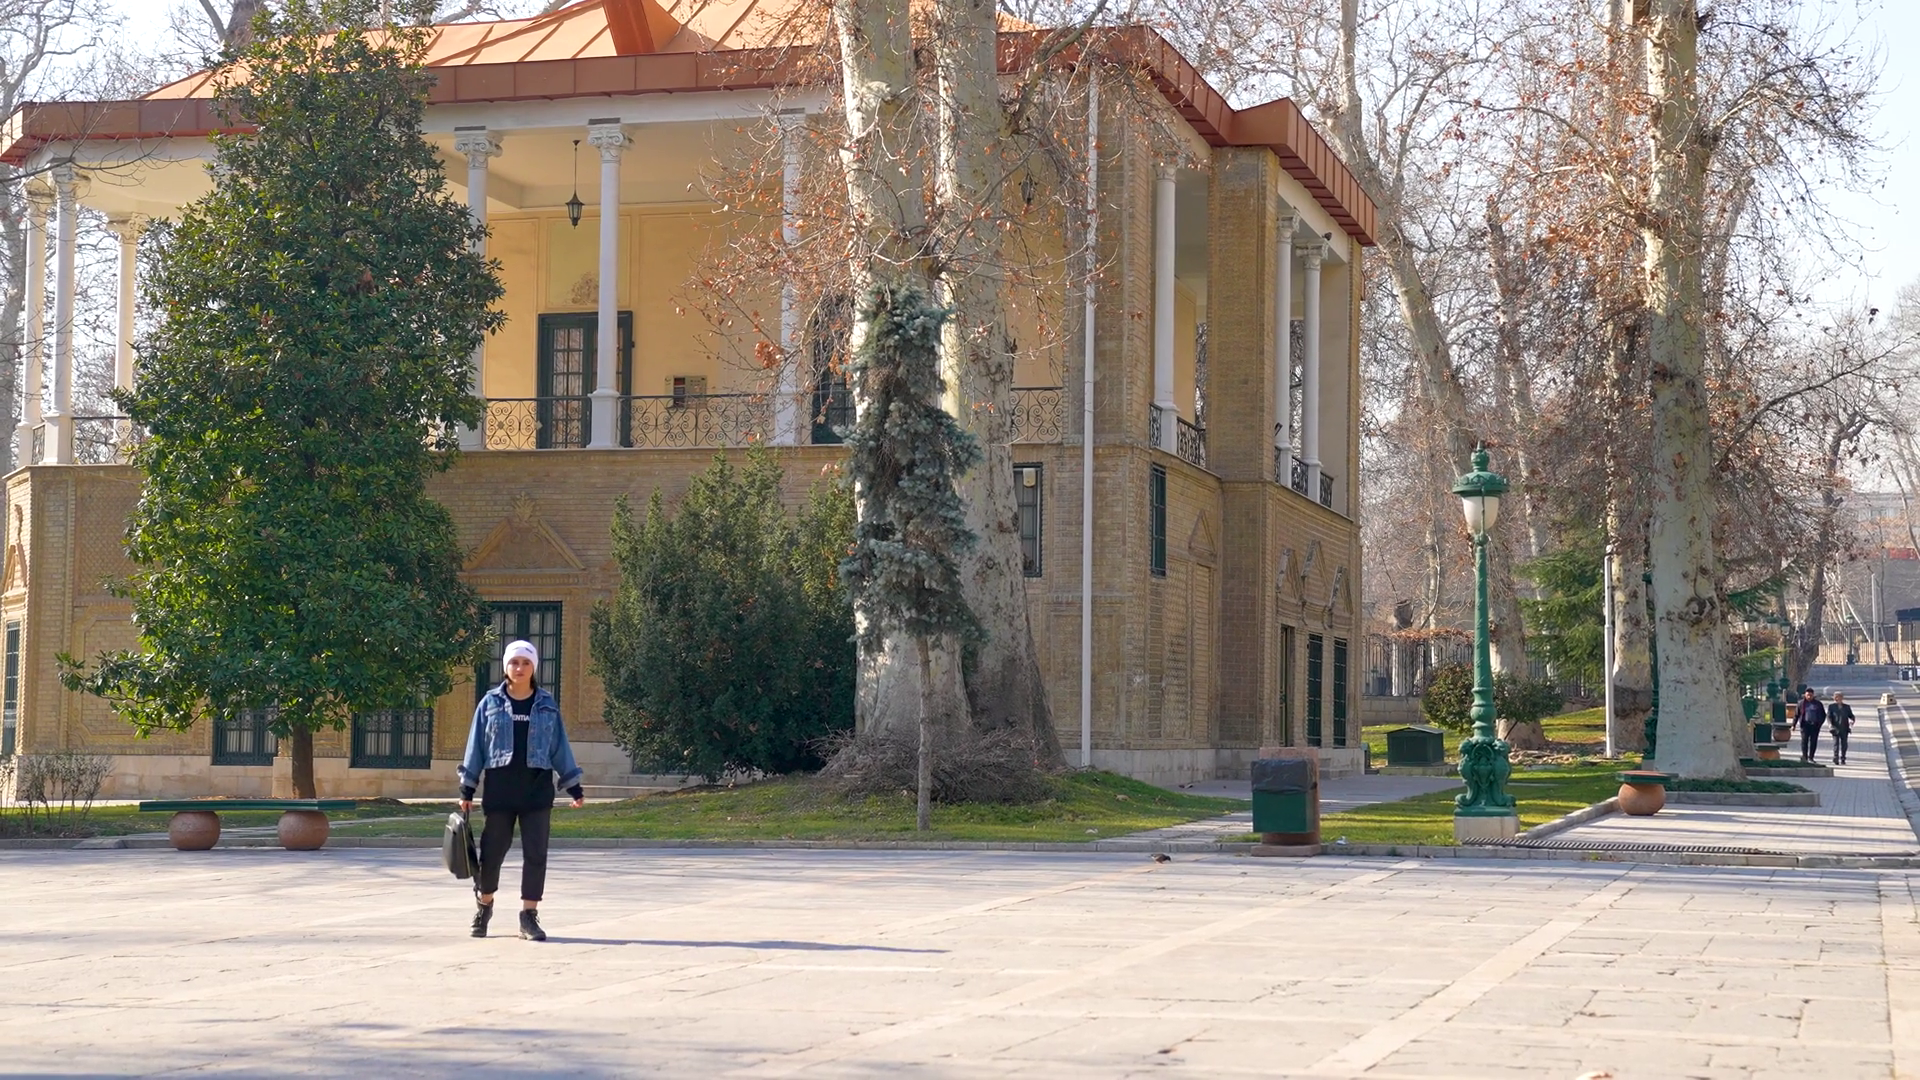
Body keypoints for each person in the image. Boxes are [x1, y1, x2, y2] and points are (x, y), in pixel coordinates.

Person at [458, 640, 585, 941]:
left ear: (533, 667)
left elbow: (559, 747)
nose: (519, 668)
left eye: (526, 663)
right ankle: (484, 905)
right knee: (492, 854)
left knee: (536, 854)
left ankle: (529, 916)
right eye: (514, 662)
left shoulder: (546, 704)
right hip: (500, 790)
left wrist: (573, 785)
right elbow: (476, 747)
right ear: (506, 666)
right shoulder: (489, 703)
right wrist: (467, 788)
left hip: (536, 790)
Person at [1797, 688, 1827, 763]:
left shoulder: (1818, 704)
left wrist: (1819, 724)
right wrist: (1793, 725)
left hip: (1815, 726)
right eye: (1807, 695)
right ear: (1805, 695)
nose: (1809, 697)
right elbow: (1797, 714)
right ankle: (1804, 757)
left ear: (1813, 695)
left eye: (1810, 695)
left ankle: (1811, 757)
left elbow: (1823, 715)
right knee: (1804, 741)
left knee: (1813, 742)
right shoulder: (1801, 703)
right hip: (1805, 725)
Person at [1828, 692, 1855, 766]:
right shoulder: (1831, 707)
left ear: (1842, 698)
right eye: (1836, 697)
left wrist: (1852, 720)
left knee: (1844, 744)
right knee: (1835, 744)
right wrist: (1830, 725)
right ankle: (1835, 758)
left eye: (1839, 697)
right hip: (1835, 728)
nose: (1838, 699)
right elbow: (1829, 716)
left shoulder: (1846, 707)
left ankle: (1843, 758)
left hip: (1844, 728)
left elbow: (1851, 715)